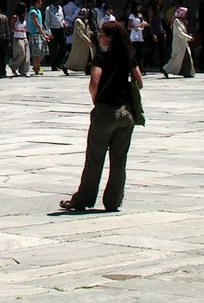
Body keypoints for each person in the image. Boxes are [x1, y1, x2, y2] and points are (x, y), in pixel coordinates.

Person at [60, 20, 144, 212]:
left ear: (110, 38)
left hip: (106, 112)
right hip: (126, 114)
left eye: (102, 34)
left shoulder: (101, 58)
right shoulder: (128, 56)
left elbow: (93, 83)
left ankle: (83, 199)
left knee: (95, 159)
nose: (99, 37)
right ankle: (113, 202)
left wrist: (96, 99)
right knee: (119, 160)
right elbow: (139, 82)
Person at [163, 6, 195, 77]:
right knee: (176, 58)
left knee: (187, 57)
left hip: (184, 43)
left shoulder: (183, 21)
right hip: (179, 44)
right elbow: (180, 33)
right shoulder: (176, 21)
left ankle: (188, 72)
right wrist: (189, 38)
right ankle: (166, 69)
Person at [65, 7, 94, 74]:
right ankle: (66, 67)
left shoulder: (85, 21)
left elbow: (87, 29)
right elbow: (80, 32)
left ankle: (88, 69)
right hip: (79, 42)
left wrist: (90, 32)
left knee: (88, 56)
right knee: (75, 57)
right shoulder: (78, 21)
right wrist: (87, 39)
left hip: (85, 43)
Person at [45, 0, 67, 72]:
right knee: (53, 49)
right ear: (55, 0)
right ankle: (54, 65)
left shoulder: (60, 8)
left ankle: (58, 62)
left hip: (61, 29)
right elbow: (47, 21)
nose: (60, 1)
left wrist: (64, 23)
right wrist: (48, 32)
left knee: (64, 47)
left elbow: (62, 18)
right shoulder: (48, 9)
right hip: (53, 30)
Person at [27, 0, 47, 75]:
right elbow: (37, 24)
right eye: (40, 2)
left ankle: (36, 66)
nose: (41, 3)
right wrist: (43, 34)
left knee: (43, 51)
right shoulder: (33, 12)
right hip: (35, 34)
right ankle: (37, 67)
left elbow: (41, 24)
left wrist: (45, 32)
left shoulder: (38, 11)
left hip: (40, 33)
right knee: (37, 51)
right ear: (36, 3)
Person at [9, 4, 30, 77]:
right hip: (17, 38)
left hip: (24, 37)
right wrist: (19, 30)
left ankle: (23, 71)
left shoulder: (23, 16)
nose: (26, 9)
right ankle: (13, 65)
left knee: (27, 56)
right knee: (22, 54)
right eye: (24, 8)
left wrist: (25, 32)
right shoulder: (15, 17)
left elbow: (24, 26)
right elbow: (11, 28)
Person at [127, 1, 148, 69]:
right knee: (135, 54)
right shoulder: (132, 15)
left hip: (140, 35)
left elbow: (142, 22)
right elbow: (129, 27)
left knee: (139, 53)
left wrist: (145, 24)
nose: (140, 7)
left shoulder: (140, 14)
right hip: (134, 36)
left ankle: (139, 67)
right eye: (139, 6)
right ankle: (135, 68)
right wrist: (138, 25)